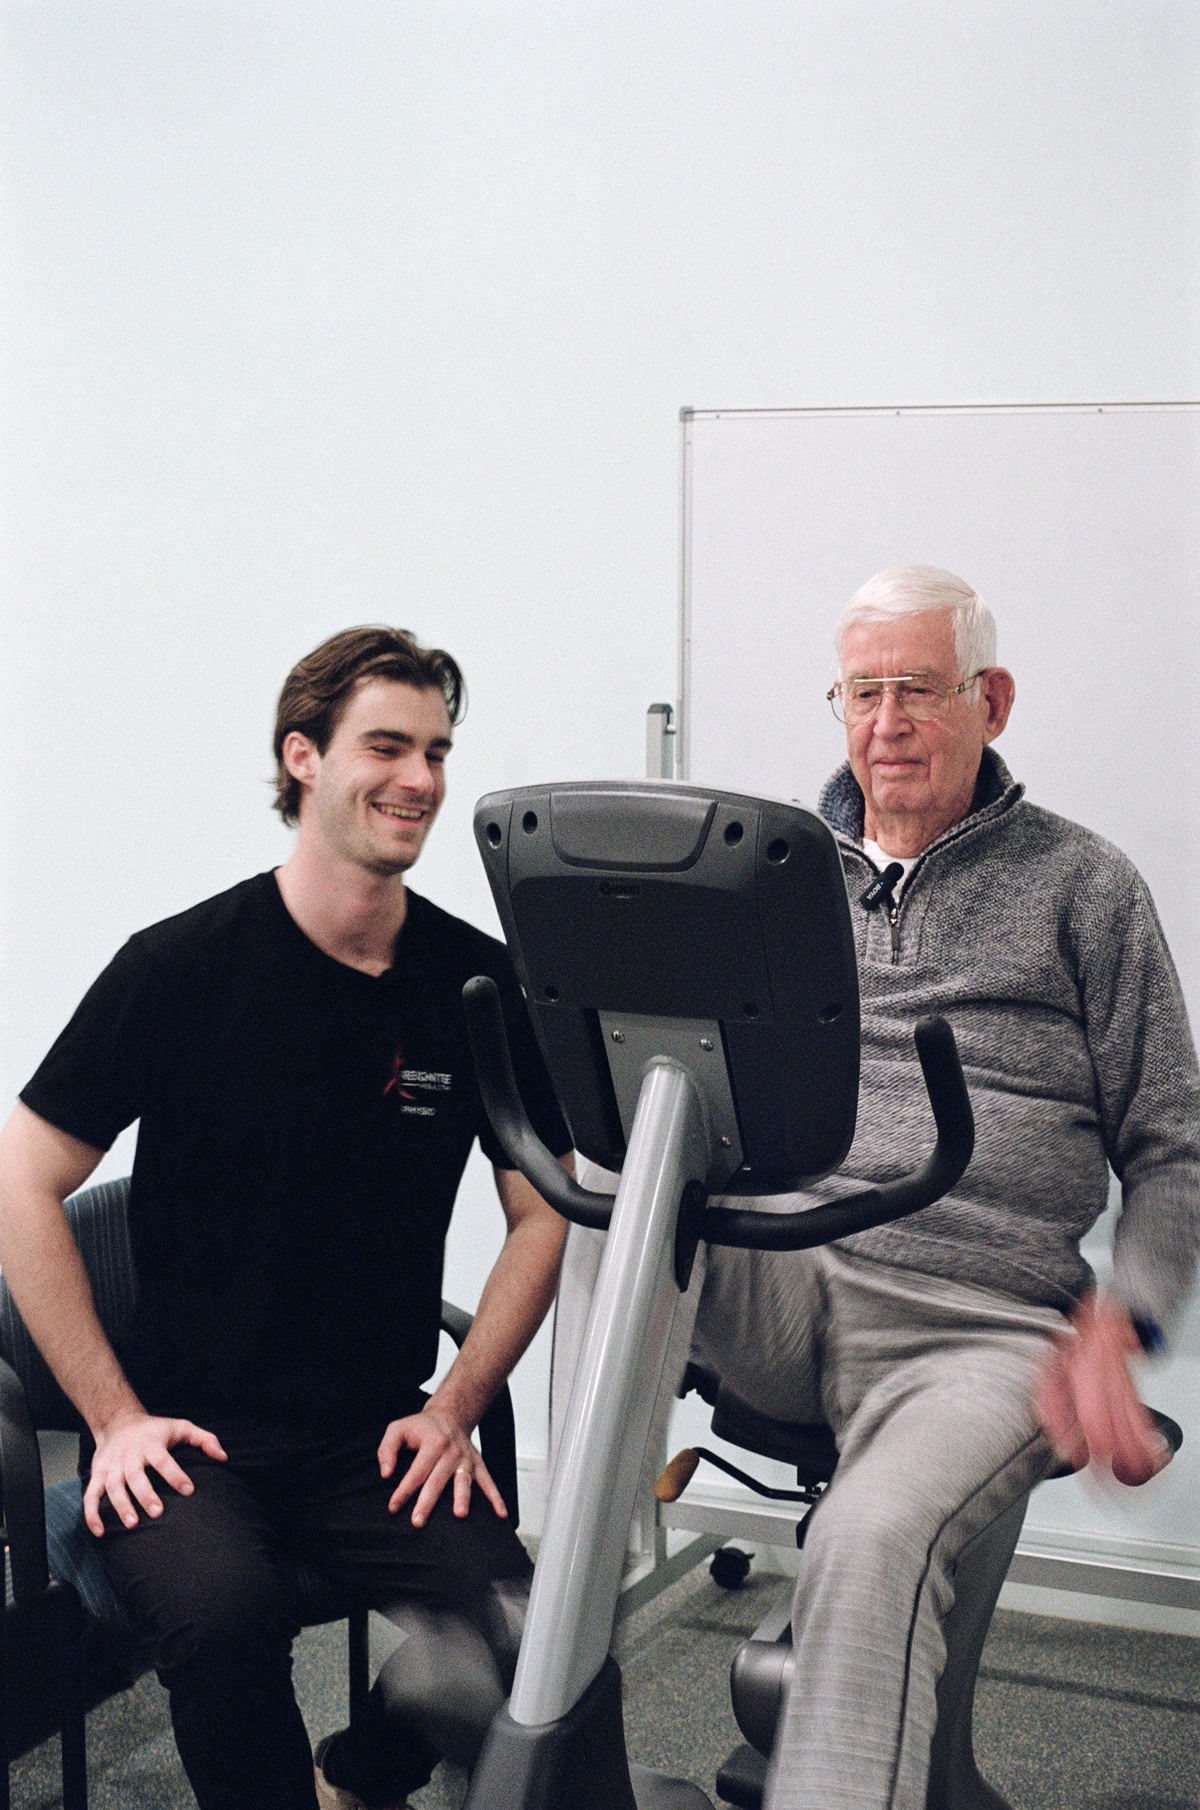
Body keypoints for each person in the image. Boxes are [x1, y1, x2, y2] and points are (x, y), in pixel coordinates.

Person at [0, 626, 573, 1810]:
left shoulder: (474, 986)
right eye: (387, 745)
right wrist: (112, 1421)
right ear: (302, 756)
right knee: (225, 1616)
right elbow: (19, 1181)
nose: (419, 778)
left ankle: (359, 1772)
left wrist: (457, 1404)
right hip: (190, 1440)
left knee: (537, 1635)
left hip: (375, 1436)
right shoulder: (181, 967)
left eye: (437, 750)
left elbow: (545, 1209)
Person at [688, 564, 1200, 1810]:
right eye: (861, 691)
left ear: (993, 701)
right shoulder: (773, 875)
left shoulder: (1086, 887)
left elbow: (1175, 1147)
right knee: (616, 1160)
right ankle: (541, 1650)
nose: (886, 722)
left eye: (918, 688)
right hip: (793, 1275)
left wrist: (1122, 1317)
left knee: (873, 1545)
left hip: (980, 1321)